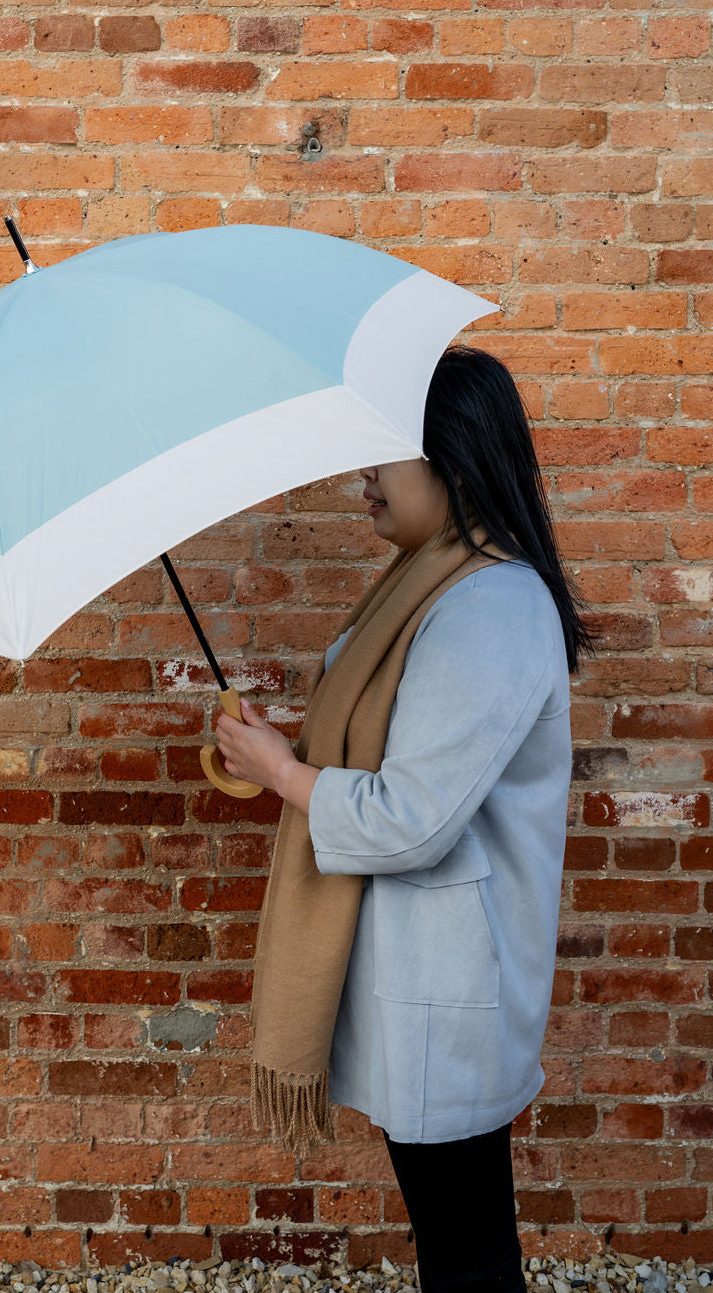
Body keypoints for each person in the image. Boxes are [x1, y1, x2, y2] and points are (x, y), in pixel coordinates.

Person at [213, 345, 595, 1293]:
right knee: (453, 1236)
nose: (365, 478)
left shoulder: (490, 606)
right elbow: (389, 760)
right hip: (420, 976)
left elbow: (413, 817)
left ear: (454, 463)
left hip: (448, 989)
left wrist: (286, 772)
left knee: (466, 1249)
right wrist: (280, 757)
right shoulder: (433, 585)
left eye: (386, 455)